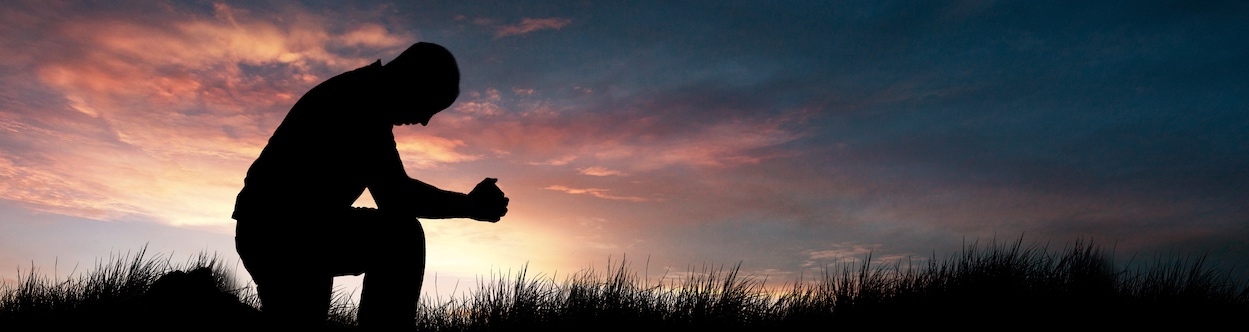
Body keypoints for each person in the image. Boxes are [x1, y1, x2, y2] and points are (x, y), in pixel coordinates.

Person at [232, 42, 508, 330]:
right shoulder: (361, 102)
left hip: (289, 229)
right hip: (281, 232)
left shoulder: (364, 94)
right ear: (414, 80)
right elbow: (398, 197)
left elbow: (394, 191)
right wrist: (469, 205)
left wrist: (468, 205)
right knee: (402, 237)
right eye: (430, 105)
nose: (425, 121)